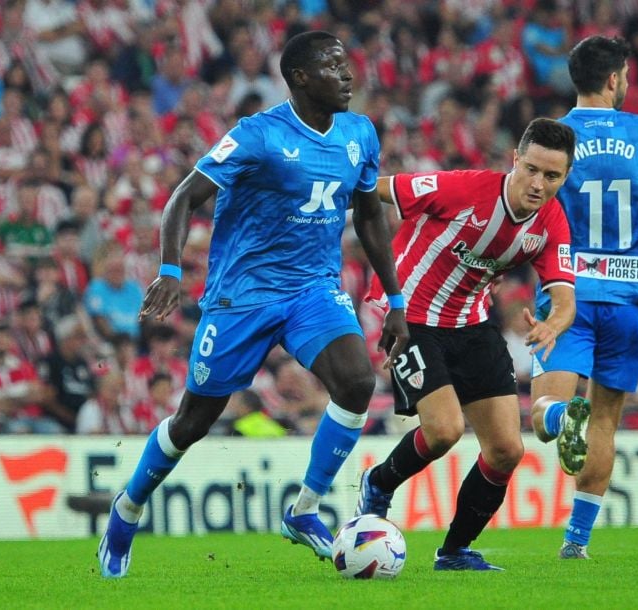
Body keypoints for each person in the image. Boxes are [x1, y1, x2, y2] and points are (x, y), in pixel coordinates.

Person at [97, 30, 409, 578]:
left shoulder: (359, 133)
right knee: (193, 421)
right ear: (299, 78)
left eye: (347, 63)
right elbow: (183, 196)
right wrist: (170, 270)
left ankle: (305, 510)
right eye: (332, 66)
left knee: (358, 383)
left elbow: (368, 216)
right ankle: (127, 509)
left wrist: (397, 296)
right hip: (242, 296)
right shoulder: (259, 135)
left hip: (312, 287)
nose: (347, 74)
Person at [357, 118, 578, 571]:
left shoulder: (552, 221)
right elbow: (375, 189)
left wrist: (553, 325)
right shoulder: (462, 189)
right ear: (515, 160)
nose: (538, 184)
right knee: (444, 430)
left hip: (471, 323)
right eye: (532, 169)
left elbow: (564, 296)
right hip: (410, 318)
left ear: (565, 176)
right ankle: (378, 484)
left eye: (552, 176)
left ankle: (454, 551)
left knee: (507, 450)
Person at [528, 36, 638, 559]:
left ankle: (562, 420)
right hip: (628, 300)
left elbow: (527, 199)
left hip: (568, 294)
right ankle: (576, 544)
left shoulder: (555, 138)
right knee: (604, 420)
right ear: (613, 79)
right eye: (625, 75)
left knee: (544, 411)